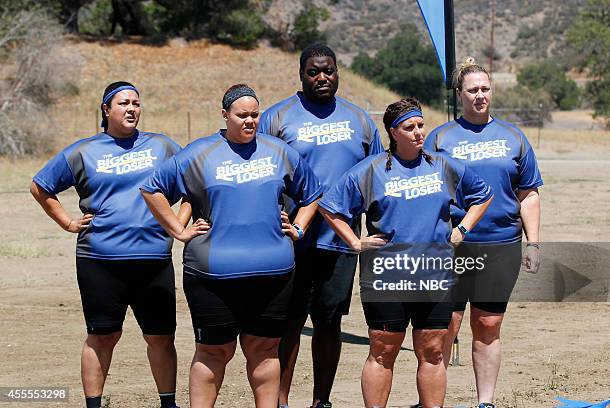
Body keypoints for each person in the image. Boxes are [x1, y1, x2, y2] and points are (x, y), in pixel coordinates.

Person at [140, 84, 322, 408]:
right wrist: (178, 232)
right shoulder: (200, 153)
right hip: (212, 277)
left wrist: (298, 227)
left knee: (265, 351)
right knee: (213, 352)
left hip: (274, 274)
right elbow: (152, 189)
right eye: (242, 115)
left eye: (255, 115)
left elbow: (312, 193)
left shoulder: (279, 151)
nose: (249, 121)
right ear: (225, 115)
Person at [318, 97, 493, 408]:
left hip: (434, 276)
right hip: (387, 278)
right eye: (409, 127)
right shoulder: (371, 170)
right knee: (383, 351)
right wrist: (356, 243)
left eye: (421, 125)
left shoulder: (443, 165)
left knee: (433, 351)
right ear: (393, 132)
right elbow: (329, 207)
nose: (418, 132)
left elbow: (483, 195)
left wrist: (461, 229)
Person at [30, 81, 186, 408]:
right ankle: (93, 405)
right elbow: (41, 187)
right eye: (123, 103)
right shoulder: (83, 151)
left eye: (136, 103)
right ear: (106, 109)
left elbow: (194, 185)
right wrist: (69, 222)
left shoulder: (162, 146)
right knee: (103, 336)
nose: (131, 109)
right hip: (100, 260)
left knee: (160, 336)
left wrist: (178, 225)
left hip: (153, 259)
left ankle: (168, 403)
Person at [258, 43, 384, 408]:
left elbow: (376, 178)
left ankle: (321, 401)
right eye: (314, 71)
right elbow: (260, 170)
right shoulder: (277, 117)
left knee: (329, 322)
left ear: (337, 71)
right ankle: (279, 400)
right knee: (290, 321)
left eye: (328, 70)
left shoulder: (359, 120)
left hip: (340, 241)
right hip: (290, 240)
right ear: (301, 75)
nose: (322, 77)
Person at [424, 57, 543, 408]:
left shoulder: (514, 137)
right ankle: (435, 401)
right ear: (459, 95)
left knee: (488, 324)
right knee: (446, 326)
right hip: (452, 247)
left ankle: (485, 402)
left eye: (485, 89)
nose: (480, 95)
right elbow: (423, 188)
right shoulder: (440, 137)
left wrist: (533, 242)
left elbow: (529, 193)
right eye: (472, 90)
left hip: (500, 245)